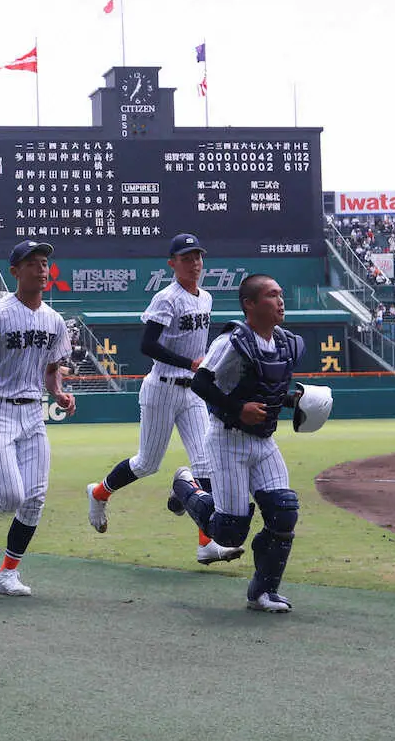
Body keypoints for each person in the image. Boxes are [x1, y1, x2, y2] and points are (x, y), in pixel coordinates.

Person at [85, 233, 243, 565]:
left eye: (197, 257)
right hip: (162, 387)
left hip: (193, 391)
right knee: (147, 463)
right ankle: (99, 492)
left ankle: (206, 543)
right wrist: (189, 363)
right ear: (172, 264)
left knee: (206, 465)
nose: (194, 263)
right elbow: (147, 345)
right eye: (186, 258)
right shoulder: (166, 298)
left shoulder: (206, 298)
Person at [169, 274, 309, 613]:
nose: (280, 301)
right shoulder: (232, 342)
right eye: (272, 295)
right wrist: (237, 408)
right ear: (249, 304)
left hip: (264, 442)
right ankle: (185, 484)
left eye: (280, 294)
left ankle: (263, 592)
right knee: (229, 532)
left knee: (283, 513)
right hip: (227, 440)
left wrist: (294, 401)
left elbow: (266, 389)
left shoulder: (285, 343)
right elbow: (201, 383)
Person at [0, 240, 75, 596]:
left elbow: (51, 369)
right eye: (32, 263)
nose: (41, 269)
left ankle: (6, 574)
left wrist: (58, 392)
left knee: (34, 499)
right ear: (15, 271)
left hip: (33, 412)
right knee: (8, 500)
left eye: (44, 263)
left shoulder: (54, 320)